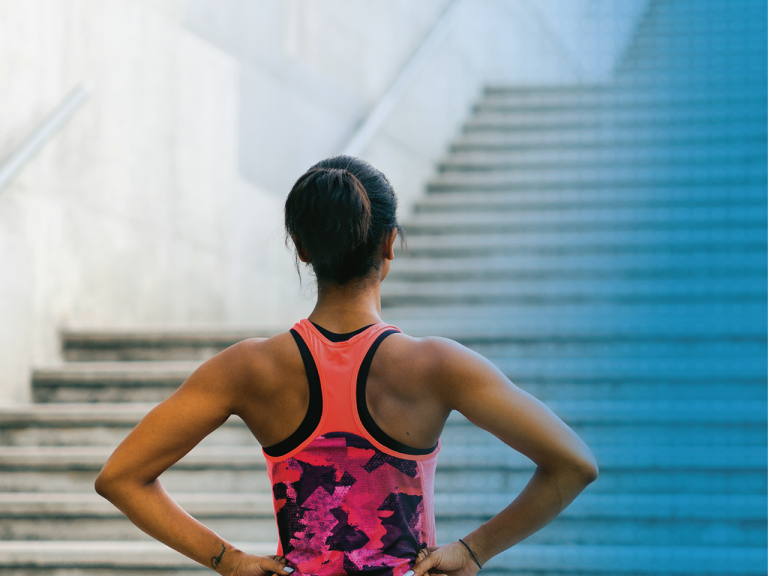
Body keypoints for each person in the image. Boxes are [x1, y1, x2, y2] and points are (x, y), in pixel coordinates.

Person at [95, 155, 598, 576]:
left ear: (302, 249)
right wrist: (473, 551)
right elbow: (574, 464)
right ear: (389, 243)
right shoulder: (437, 365)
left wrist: (227, 561)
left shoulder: (249, 367)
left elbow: (120, 477)